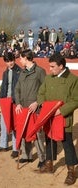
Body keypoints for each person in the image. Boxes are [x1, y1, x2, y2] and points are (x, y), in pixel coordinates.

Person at [37, 53, 78, 185]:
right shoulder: (49, 79)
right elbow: (41, 93)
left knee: (67, 143)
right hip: (49, 117)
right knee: (49, 139)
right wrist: (44, 104)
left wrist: (61, 111)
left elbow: (76, 100)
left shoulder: (73, 79)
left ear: (61, 66)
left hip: (63, 117)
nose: (50, 69)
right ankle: (49, 165)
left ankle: (71, 171)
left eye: (53, 66)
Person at [14, 49, 46, 167]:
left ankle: (42, 158)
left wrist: (38, 102)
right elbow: (17, 89)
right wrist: (17, 103)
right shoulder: (22, 73)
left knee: (37, 134)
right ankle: (26, 156)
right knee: (24, 131)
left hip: (35, 109)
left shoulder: (40, 72)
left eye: (21, 58)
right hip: (23, 107)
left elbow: (44, 90)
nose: (20, 60)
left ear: (26, 58)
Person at [0, 52, 21, 158]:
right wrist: (0, 99)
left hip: (14, 102)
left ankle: (15, 148)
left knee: (14, 125)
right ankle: (3, 145)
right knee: (3, 124)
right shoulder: (5, 73)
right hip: (6, 101)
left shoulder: (20, 72)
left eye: (11, 60)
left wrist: (17, 101)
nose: (10, 63)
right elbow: (4, 87)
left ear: (14, 59)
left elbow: (19, 89)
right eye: (7, 61)